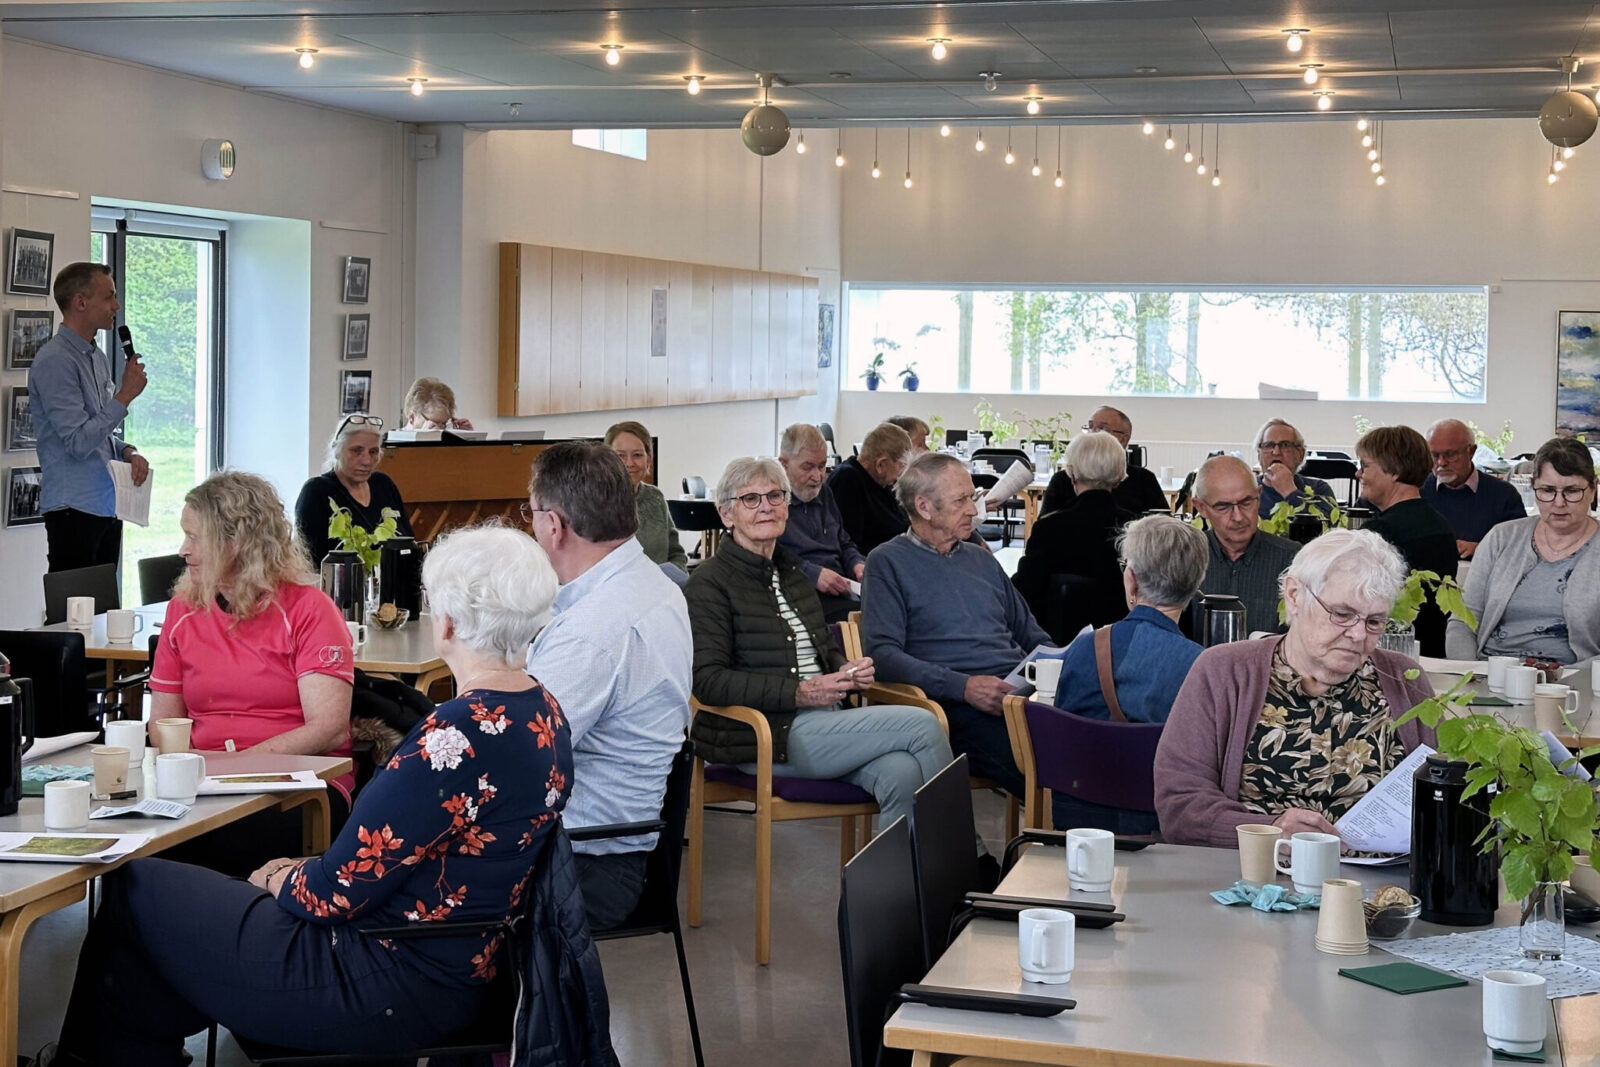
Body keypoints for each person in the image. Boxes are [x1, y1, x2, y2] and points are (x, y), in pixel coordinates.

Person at [41, 524, 606, 1066]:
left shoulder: (453, 739)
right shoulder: (541, 712)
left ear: (449, 623)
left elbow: (330, 896)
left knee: (137, 886)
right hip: (465, 968)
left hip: (380, 975)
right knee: (142, 960)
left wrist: (277, 875)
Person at [686, 457, 952, 833]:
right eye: (750, 499)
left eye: (775, 496)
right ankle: (965, 859)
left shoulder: (792, 572)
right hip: (763, 736)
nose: (766, 506)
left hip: (825, 723)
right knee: (923, 724)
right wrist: (800, 693)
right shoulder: (709, 584)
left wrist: (845, 669)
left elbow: (822, 649)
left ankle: (892, 892)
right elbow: (708, 680)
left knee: (902, 773)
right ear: (726, 514)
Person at [1153, 530, 1437, 847]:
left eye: (1374, 622)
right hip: (1253, 876)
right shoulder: (1223, 672)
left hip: (1375, 887)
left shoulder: (1404, 679)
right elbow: (1181, 806)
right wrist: (1270, 832)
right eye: (1342, 614)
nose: (1358, 634)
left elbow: (1443, 797)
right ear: (1294, 595)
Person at [148, 472, 356, 873]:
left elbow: (329, 728)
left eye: (195, 538)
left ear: (236, 541)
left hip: (302, 781)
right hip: (204, 783)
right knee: (141, 853)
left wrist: (231, 769)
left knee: (219, 842)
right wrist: (199, 774)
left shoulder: (308, 609)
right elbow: (162, 723)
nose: (183, 550)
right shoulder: (182, 611)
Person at [524, 441, 693, 931]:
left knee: (399, 892)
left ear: (553, 525)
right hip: (624, 847)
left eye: (530, 514)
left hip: (586, 863)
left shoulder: (594, 630)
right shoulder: (655, 584)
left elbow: (524, 759)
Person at [862, 452, 1049, 809]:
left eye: (972, 496)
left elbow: (1032, 635)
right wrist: (963, 687)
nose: (973, 509)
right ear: (925, 507)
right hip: (954, 705)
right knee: (1050, 770)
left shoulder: (980, 558)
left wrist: (1061, 664)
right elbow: (882, 656)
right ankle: (1092, 843)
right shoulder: (887, 562)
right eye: (962, 499)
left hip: (1016, 692)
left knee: (1092, 738)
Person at [1047, 516, 1208, 833]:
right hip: (1164, 828)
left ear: (1130, 580)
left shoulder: (1084, 649)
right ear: (1195, 585)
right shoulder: (1202, 667)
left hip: (1078, 824)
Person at [26, 262, 150, 572]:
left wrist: (126, 450)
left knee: (104, 613)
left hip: (107, 503)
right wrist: (124, 396)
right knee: (74, 616)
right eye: (109, 297)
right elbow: (78, 442)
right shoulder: (54, 361)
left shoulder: (96, 357)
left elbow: (98, 430)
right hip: (73, 509)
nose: (116, 305)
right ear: (80, 302)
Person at [1446, 435, 1600, 664]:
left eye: (1572, 491)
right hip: (1489, 674)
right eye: (1547, 490)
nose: (1559, 503)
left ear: (1593, 488)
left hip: (1571, 683)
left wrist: (1570, 681)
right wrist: (1469, 673)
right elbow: (1463, 619)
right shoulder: (1502, 538)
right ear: (1533, 487)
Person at [1013, 431, 1134, 645]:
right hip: (1121, 641)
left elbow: (1023, 593)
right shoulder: (1135, 529)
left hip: (1057, 643)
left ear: (1072, 475)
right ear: (1118, 478)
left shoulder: (1048, 528)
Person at [1356, 425, 1458, 657]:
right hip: (1433, 650)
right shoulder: (1441, 525)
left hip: (1388, 655)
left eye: (1365, 466)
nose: (1359, 474)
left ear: (1394, 471)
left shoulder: (1378, 532)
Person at [1190, 455, 1301, 635]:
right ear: (1201, 508)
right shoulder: (1186, 559)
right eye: (1223, 507)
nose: (1238, 516)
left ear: (1259, 495)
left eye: (1246, 502)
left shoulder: (1291, 560)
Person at [295, 413, 414, 566]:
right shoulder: (317, 492)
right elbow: (308, 561)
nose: (366, 461)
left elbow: (408, 543)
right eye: (356, 451)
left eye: (373, 452)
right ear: (337, 450)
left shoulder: (384, 485)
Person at [777, 423, 866, 622]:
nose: (817, 476)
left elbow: (843, 542)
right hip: (800, 591)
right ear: (784, 464)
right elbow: (768, 557)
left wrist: (857, 563)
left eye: (822, 466)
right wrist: (811, 573)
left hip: (842, 586)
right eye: (807, 467)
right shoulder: (772, 500)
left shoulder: (824, 492)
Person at [1421, 417, 1526, 559]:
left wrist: (1482, 549)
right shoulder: (1418, 490)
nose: (1441, 462)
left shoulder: (1503, 494)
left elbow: (1520, 547)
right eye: (1434, 455)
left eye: (1450, 454)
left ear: (1471, 451)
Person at [1039, 406, 1167, 517]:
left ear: (1123, 439)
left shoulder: (1143, 479)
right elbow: (1045, 527)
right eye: (1089, 427)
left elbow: (1164, 528)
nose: (1093, 434)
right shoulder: (1063, 479)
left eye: (1102, 429)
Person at [605, 419, 688, 577]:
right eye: (620, 456)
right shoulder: (591, 502)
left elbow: (676, 554)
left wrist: (670, 580)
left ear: (648, 460)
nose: (629, 463)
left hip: (659, 592)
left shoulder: (655, 498)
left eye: (637, 455)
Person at [826, 422, 913, 554]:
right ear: (881, 464)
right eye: (901, 466)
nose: (902, 475)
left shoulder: (880, 481)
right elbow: (850, 544)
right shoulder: (848, 480)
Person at [1254, 418, 1336, 519]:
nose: (1276, 452)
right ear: (1259, 455)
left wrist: (1290, 492)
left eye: (1285, 445)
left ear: (1300, 455)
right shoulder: (1248, 491)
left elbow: (1329, 527)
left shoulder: (1319, 489)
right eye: (1269, 445)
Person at [400, 376, 473, 430]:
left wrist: (469, 440)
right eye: (433, 423)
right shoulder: (393, 446)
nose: (439, 430)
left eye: (444, 424)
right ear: (412, 417)